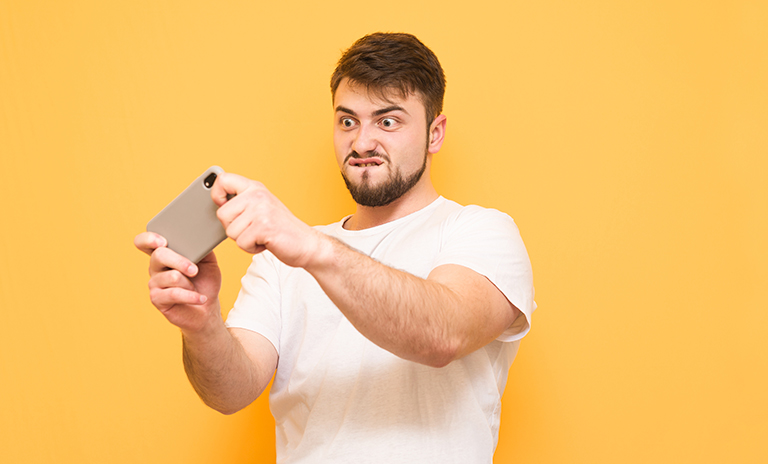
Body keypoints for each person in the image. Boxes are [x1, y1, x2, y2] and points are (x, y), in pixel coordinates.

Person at [135, 32, 535, 463]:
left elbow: (443, 334)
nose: (362, 143)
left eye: (388, 121)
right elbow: (231, 392)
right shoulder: (279, 259)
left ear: (434, 133)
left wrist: (310, 247)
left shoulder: (480, 232)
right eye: (348, 121)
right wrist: (201, 323)